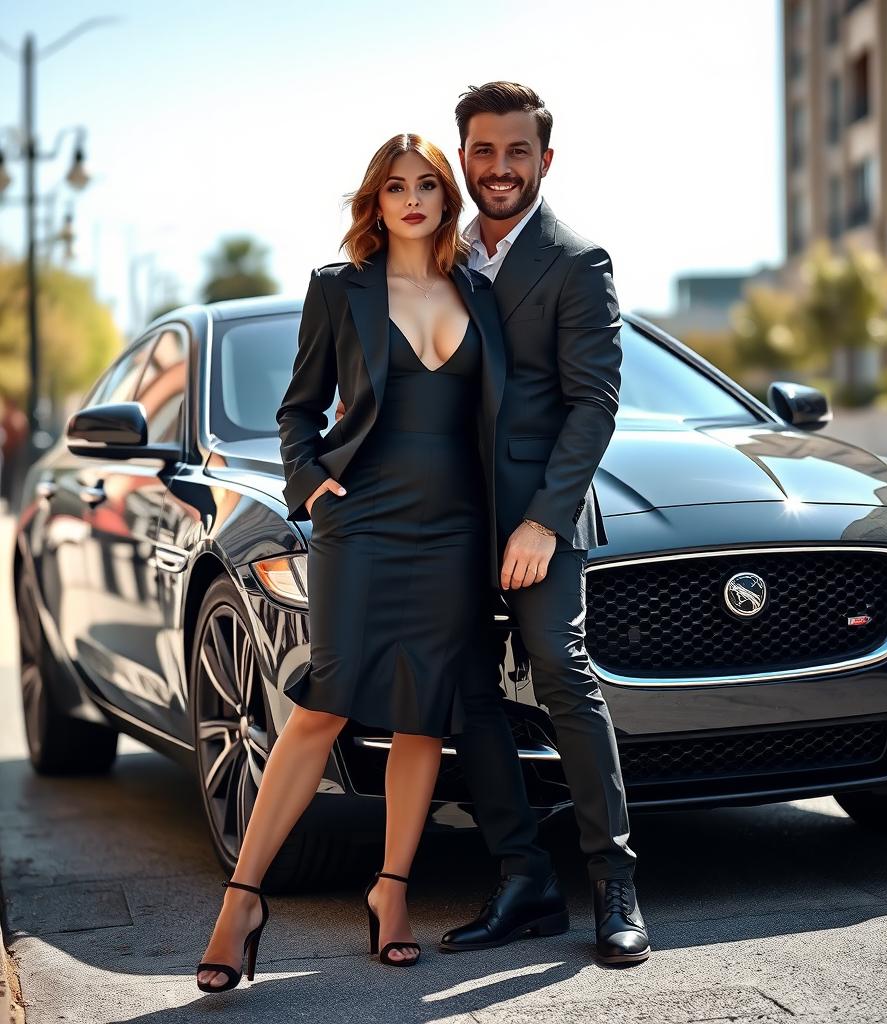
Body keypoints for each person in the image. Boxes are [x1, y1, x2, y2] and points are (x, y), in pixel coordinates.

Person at [196, 133, 506, 990]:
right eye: (395, 186)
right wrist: (311, 483)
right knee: (324, 703)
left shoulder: (479, 292)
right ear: (374, 202)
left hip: (453, 528)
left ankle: (392, 892)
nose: (413, 198)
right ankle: (242, 899)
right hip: (360, 519)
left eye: (428, 185)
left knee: (421, 713)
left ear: (448, 199)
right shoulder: (340, 289)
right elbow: (297, 410)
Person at [439, 82, 651, 966]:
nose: (499, 169)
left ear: (544, 160)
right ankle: (524, 880)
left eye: (516, 152)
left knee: (563, 669)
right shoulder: (440, 260)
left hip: (540, 515)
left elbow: (595, 402)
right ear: (463, 158)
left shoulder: (576, 259)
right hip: (450, 516)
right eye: (483, 152)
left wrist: (542, 524)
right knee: (464, 688)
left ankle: (613, 882)